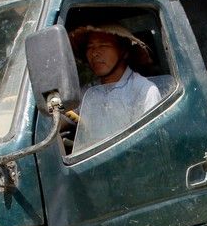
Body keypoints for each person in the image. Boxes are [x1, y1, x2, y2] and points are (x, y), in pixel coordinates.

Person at [69, 23, 163, 151]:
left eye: (103, 45)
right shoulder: (88, 91)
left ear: (123, 52)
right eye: (90, 47)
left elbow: (151, 145)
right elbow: (65, 116)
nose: (95, 53)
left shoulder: (144, 91)